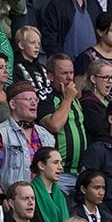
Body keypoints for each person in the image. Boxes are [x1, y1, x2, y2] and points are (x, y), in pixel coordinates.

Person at [38, 54, 87, 192]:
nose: (70, 77)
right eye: (64, 73)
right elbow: (54, 125)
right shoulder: (45, 97)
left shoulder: (74, 97)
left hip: (79, 172)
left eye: (71, 72)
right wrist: (68, 99)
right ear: (51, 76)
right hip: (59, 173)